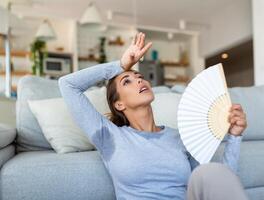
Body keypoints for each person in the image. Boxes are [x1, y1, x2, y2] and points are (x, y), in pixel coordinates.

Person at [58, 32, 248, 200]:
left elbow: (218, 187)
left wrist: (235, 136)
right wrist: (121, 65)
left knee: (210, 172)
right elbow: (68, 85)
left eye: (139, 77)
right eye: (127, 81)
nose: (139, 79)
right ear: (119, 104)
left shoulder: (178, 137)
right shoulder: (109, 136)